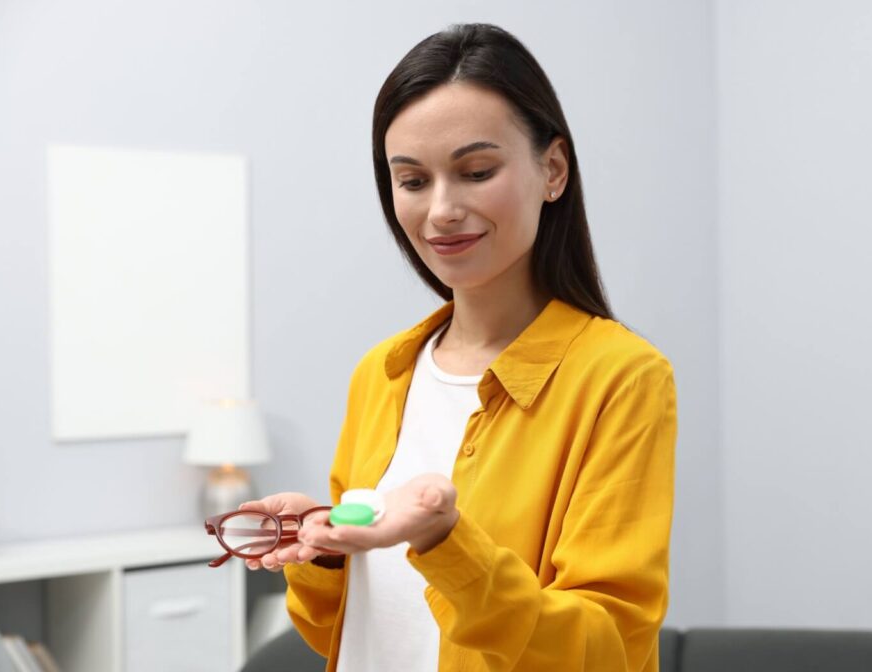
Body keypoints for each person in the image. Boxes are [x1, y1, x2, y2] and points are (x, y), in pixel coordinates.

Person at [238, 22, 677, 672]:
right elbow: (335, 628)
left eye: (475, 171)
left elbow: (604, 650)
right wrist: (326, 547)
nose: (441, 209)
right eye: (412, 181)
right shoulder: (381, 374)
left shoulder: (622, 379)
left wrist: (446, 542)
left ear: (552, 169)